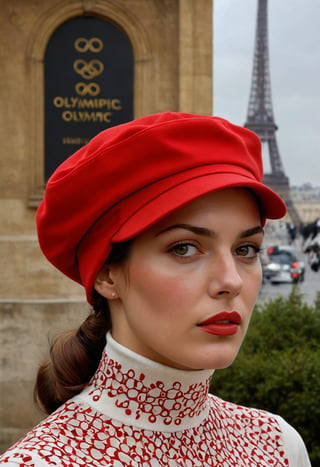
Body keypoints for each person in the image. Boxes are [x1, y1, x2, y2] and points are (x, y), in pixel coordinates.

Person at [0, 112, 311, 466]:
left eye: (245, 250)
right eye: (184, 248)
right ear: (106, 274)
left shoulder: (278, 447)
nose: (232, 281)